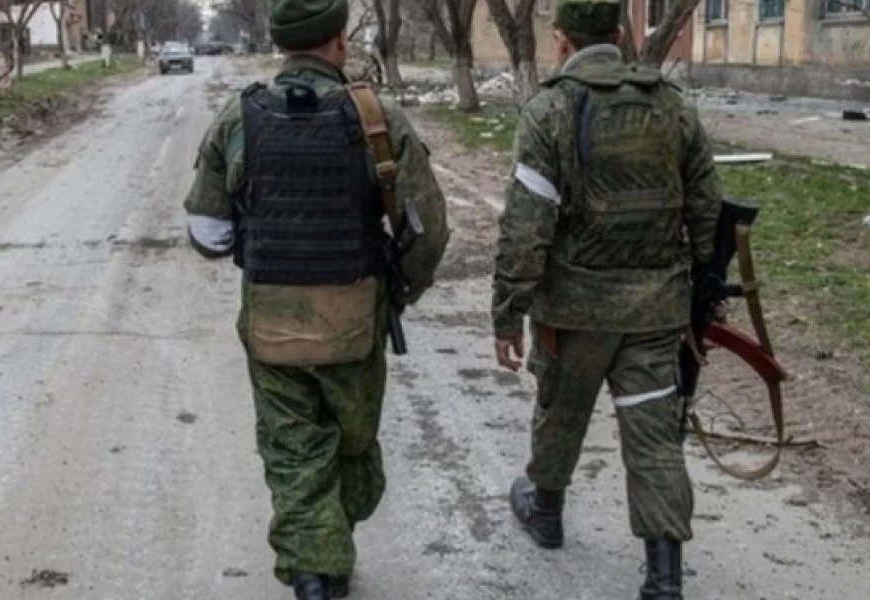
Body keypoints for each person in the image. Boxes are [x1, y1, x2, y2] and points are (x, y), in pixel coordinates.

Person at [182, 0, 450, 597]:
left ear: (281, 45)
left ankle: (316, 565)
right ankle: (321, 565)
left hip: (273, 324)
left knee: (294, 451)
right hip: (355, 319)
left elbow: (206, 232)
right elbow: (429, 230)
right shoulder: (377, 118)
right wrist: (399, 292)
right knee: (353, 441)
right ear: (341, 42)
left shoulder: (238, 116)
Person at [490, 1, 722, 598]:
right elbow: (707, 210)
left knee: (561, 412)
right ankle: (664, 578)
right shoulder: (672, 106)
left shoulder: (548, 111)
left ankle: (546, 509)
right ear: (619, 36)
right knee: (654, 437)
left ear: (561, 40)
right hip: (655, 312)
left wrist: (508, 313)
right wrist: (699, 291)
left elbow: (526, 228)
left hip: (573, 314)